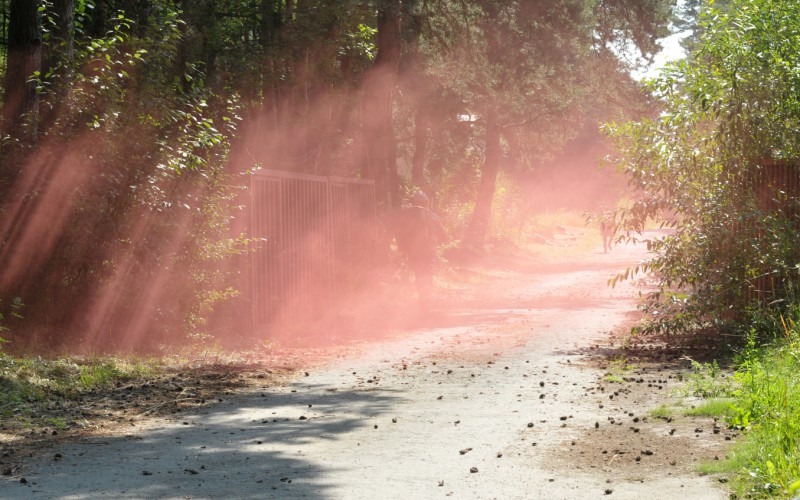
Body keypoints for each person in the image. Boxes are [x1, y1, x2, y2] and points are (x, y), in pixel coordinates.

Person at [394, 190, 447, 304]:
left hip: (414, 252)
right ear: (426, 202)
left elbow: (399, 233)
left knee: (418, 273)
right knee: (428, 273)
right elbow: (443, 235)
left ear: (413, 201)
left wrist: (402, 248)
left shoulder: (406, 215)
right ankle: (427, 295)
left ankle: (421, 295)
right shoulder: (433, 216)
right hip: (429, 251)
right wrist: (434, 241)